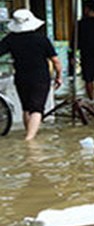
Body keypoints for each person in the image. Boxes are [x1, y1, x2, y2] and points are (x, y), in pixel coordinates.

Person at [0, 8, 63, 140]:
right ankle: (29, 139)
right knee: (37, 109)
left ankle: (29, 134)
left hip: (21, 77)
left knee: (27, 108)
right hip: (40, 77)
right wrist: (59, 77)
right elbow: (56, 61)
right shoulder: (41, 39)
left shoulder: (10, 39)